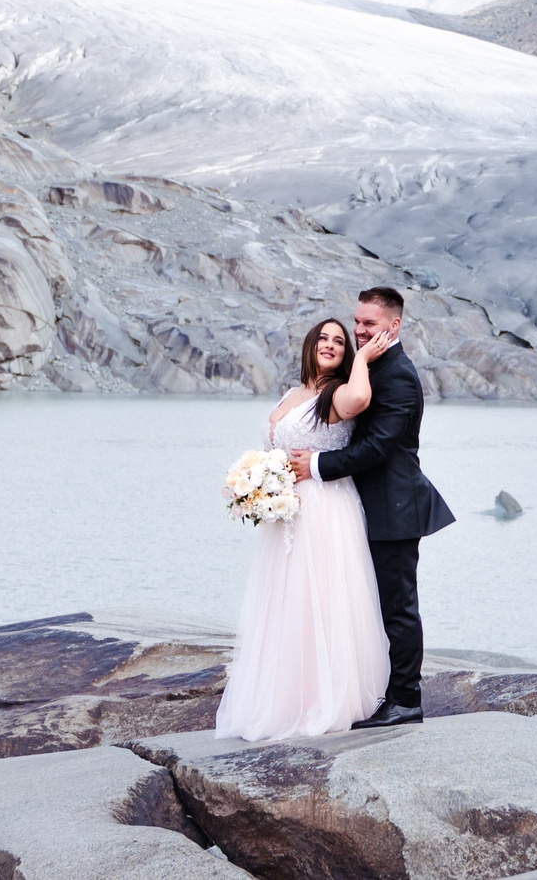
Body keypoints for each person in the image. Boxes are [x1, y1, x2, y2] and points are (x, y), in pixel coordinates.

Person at [214, 317, 394, 739]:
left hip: (325, 508)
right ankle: (283, 697)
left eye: (339, 340)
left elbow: (361, 398)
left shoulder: (339, 393)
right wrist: (258, 480)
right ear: (310, 344)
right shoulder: (294, 393)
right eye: (324, 338)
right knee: (285, 602)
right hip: (287, 513)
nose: (331, 344)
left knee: (322, 599)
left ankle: (324, 699)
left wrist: (363, 359)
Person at [288, 286, 455, 728]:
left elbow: (379, 446)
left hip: (396, 508)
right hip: (363, 507)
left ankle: (406, 700)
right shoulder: (368, 366)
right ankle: (372, 691)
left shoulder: (397, 373)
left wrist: (317, 465)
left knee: (398, 607)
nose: (359, 330)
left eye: (369, 324)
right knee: (368, 603)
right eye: (357, 322)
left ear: (394, 326)